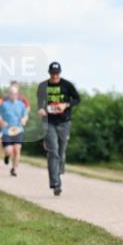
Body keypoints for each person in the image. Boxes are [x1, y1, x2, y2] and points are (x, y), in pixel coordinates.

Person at [37, 62, 81, 196]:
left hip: (64, 123)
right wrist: (41, 110)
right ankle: (55, 183)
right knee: (53, 152)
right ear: (49, 73)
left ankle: (59, 170)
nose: (55, 76)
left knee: (61, 152)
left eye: (57, 73)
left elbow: (77, 99)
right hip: (49, 123)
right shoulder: (43, 86)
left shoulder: (67, 85)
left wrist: (66, 104)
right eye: (52, 73)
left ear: (60, 73)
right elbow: (40, 104)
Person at [0, 83, 29, 177]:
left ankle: (14, 169)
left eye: (15, 93)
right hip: (7, 131)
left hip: (18, 130)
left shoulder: (21, 104)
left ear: (17, 94)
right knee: (9, 150)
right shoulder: (4, 104)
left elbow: (25, 115)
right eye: (11, 93)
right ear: (9, 94)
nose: (13, 95)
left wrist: (24, 119)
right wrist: (2, 121)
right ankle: (7, 156)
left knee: (17, 149)